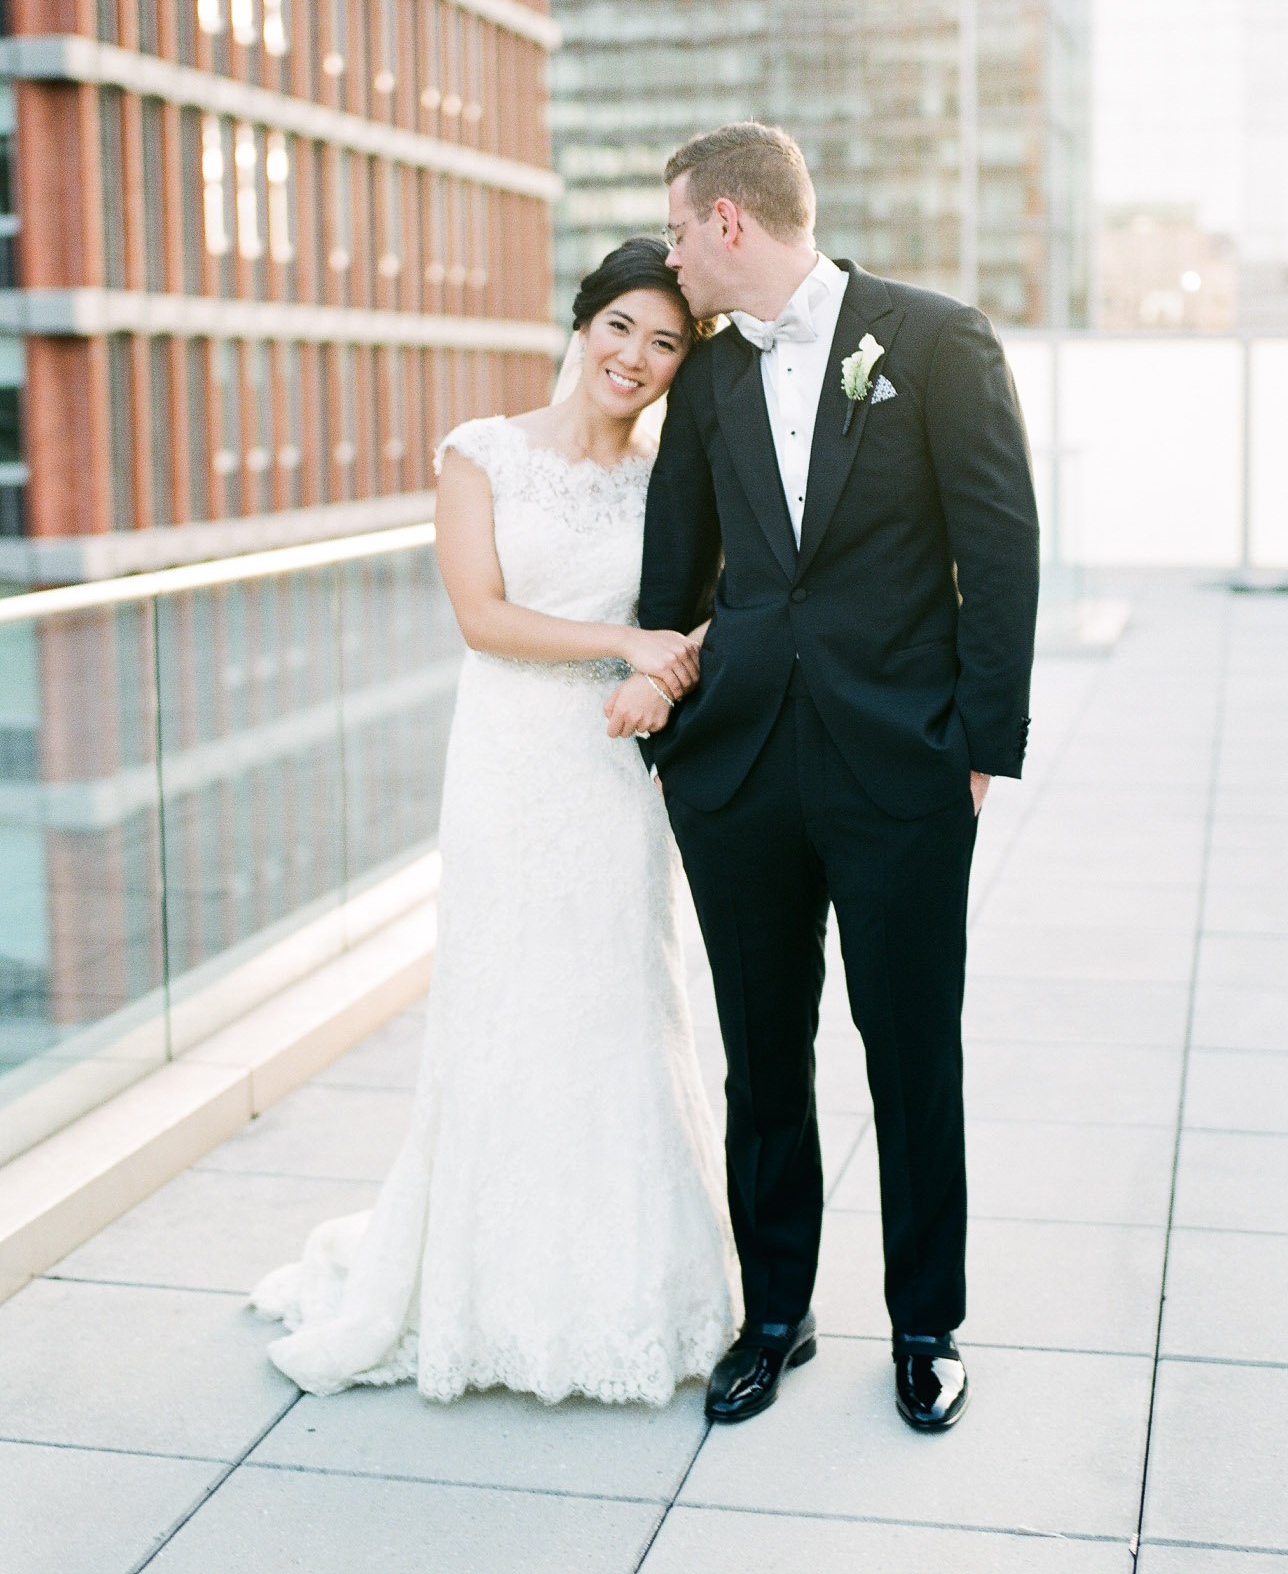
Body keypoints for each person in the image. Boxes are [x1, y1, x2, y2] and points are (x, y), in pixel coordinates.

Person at [249, 238, 739, 1405]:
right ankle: (488, 1289)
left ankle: (625, 1289)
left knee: (622, 1004)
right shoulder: (482, 455)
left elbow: (720, 612)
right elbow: (482, 615)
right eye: (621, 326)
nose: (636, 356)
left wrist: (659, 673)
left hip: (617, 773)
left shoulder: (674, 480)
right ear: (582, 325)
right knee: (506, 1004)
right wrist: (625, 643)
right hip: (513, 765)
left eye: (665, 342)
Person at [605, 123, 1039, 1431]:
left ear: (728, 223)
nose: (670, 256)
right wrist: (677, 733)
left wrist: (975, 748)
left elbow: (999, 548)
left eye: (677, 231)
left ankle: (925, 1325)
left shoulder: (934, 340)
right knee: (763, 1056)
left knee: (910, 1054)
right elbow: (673, 572)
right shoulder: (712, 382)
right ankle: (775, 1313)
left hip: (900, 771)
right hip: (741, 776)